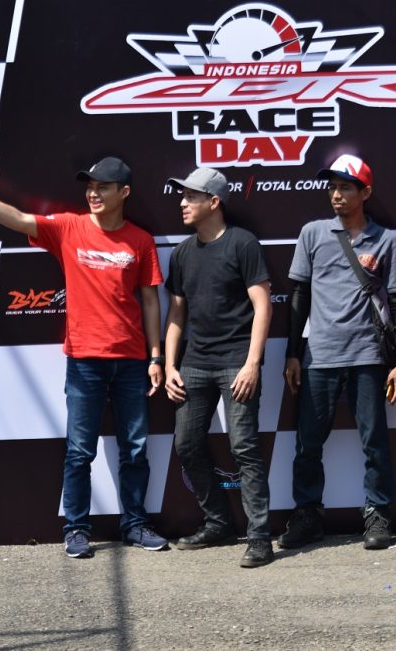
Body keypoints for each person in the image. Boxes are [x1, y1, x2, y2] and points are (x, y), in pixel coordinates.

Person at [0, 157, 168, 559]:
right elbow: (21, 220)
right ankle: (76, 529)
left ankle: (135, 525)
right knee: (79, 451)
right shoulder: (68, 227)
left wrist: (155, 356)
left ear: (124, 192)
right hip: (84, 360)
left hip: (131, 360)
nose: (93, 193)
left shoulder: (141, 240)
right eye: (89, 186)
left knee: (135, 449)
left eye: (103, 186)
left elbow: (150, 301)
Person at [280, 154, 396, 551]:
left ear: (365, 193)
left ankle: (378, 513)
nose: (336, 195)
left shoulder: (387, 240)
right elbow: (299, 296)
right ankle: (307, 515)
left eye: (345, 188)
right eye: (332, 187)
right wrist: (292, 354)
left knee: (374, 442)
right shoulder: (312, 233)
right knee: (307, 444)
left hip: (368, 355)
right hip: (319, 356)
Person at [162, 167, 275, 568]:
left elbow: (263, 306)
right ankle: (219, 523)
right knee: (187, 444)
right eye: (182, 196)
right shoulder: (181, 253)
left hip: (236, 361)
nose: (182, 203)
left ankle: (259, 537)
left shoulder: (243, 243)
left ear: (214, 202)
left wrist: (252, 364)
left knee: (243, 446)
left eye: (191, 197)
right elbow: (176, 315)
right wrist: (170, 365)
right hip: (194, 363)